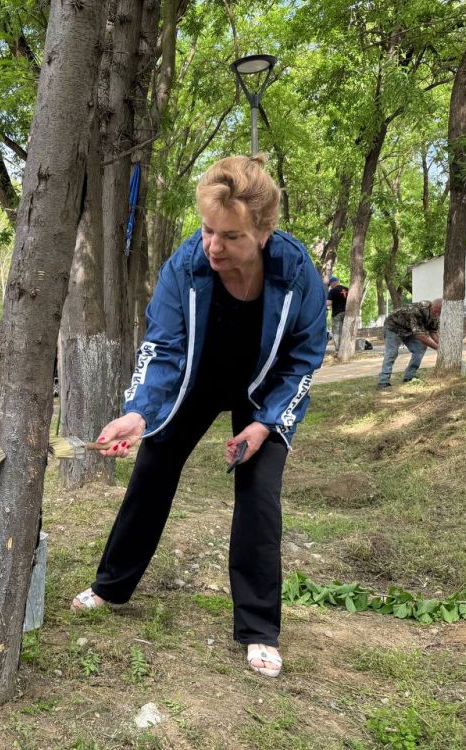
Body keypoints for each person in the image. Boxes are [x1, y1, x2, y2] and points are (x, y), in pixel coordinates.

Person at [70, 155, 327, 679]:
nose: (214, 246)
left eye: (230, 237)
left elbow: (304, 358)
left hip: (264, 391)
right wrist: (140, 414)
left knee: (259, 494)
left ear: (263, 231)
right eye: (208, 230)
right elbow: (163, 348)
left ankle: (258, 628)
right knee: (153, 470)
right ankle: (110, 586)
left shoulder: (297, 272)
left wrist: (267, 423)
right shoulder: (185, 265)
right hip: (195, 380)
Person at [377, 299, 441, 389]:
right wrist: (438, 348)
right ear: (434, 308)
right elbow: (420, 336)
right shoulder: (417, 310)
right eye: (437, 312)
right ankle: (383, 381)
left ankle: (409, 376)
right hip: (393, 327)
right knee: (392, 352)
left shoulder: (436, 315)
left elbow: (433, 332)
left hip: (409, 331)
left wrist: (442, 346)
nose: (438, 315)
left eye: (439, 313)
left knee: (420, 348)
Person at [326, 276, 348, 348]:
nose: (330, 286)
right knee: (345, 331)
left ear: (333, 283)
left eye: (330, 285)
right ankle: (345, 347)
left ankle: (338, 349)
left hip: (337, 314)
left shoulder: (332, 291)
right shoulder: (347, 289)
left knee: (336, 332)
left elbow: (329, 303)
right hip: (347, 313)